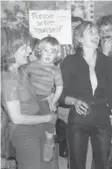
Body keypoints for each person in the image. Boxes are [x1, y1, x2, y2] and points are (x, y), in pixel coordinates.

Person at [59, 21, 112, 169]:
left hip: (102, 119)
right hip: (78, 119)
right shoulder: (70, 61)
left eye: (97, 32)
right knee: (76, 164)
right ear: (80, 39)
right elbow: (61, 94)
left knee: (103, 164)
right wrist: (74, 101)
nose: (96, 36)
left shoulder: (107, 62)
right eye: (91, 32)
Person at [1, 28, 56, 169]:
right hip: (24, 133)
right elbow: (17, 118)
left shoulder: (22, 72)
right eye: (24, 47)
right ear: (10, 50)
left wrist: (47, 97)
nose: (30, 51)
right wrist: (48, 118)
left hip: (36, 127)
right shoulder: (9, 79)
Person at [25, 36, 63, 162]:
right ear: (40, 50)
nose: (49, 54)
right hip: (30, 98)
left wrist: (53, 101)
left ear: (57, 54)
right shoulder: (31, 65)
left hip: (44, 99)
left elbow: (59, 87)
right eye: (46, 50)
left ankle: (49, 142)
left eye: (53, 52)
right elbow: (23, 79)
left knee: (50, 120)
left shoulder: (55, 70)